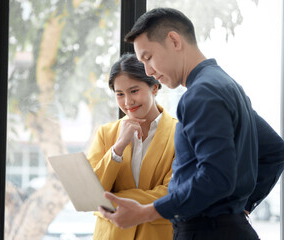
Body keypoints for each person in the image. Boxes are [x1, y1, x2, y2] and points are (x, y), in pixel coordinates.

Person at [98, 7, 284, 240]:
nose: (148, 70)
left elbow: (216, 177)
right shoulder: (226, 85)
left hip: (207, 232)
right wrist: (239, 208)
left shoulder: (200, 94)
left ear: (174, 41)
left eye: (148, 57)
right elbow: (275, 149)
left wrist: (147, 212)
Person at [87, 53, 177, 239]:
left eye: (134, 91)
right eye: (120, 94)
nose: (128, 102)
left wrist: (114, 196)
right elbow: (91, 195)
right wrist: (118, 147)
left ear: (154, 87)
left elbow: (173, 193)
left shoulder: (180, 133)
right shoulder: (106, 134)